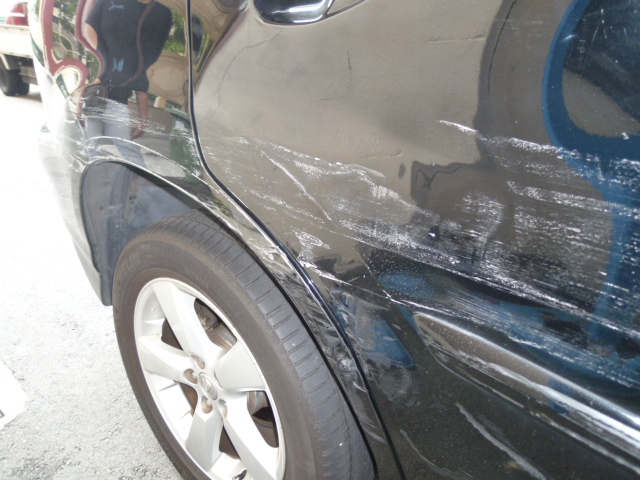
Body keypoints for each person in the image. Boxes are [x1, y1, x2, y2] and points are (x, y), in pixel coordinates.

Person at [82, 0, 172, 161]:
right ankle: (102, 173)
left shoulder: (160, 14)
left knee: (116, 146)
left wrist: (142, 121)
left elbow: (141, 87)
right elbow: (89, 27)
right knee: (98, 145)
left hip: (113, 101)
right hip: (98, 100)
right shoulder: (109, 57)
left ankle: (132, 173)